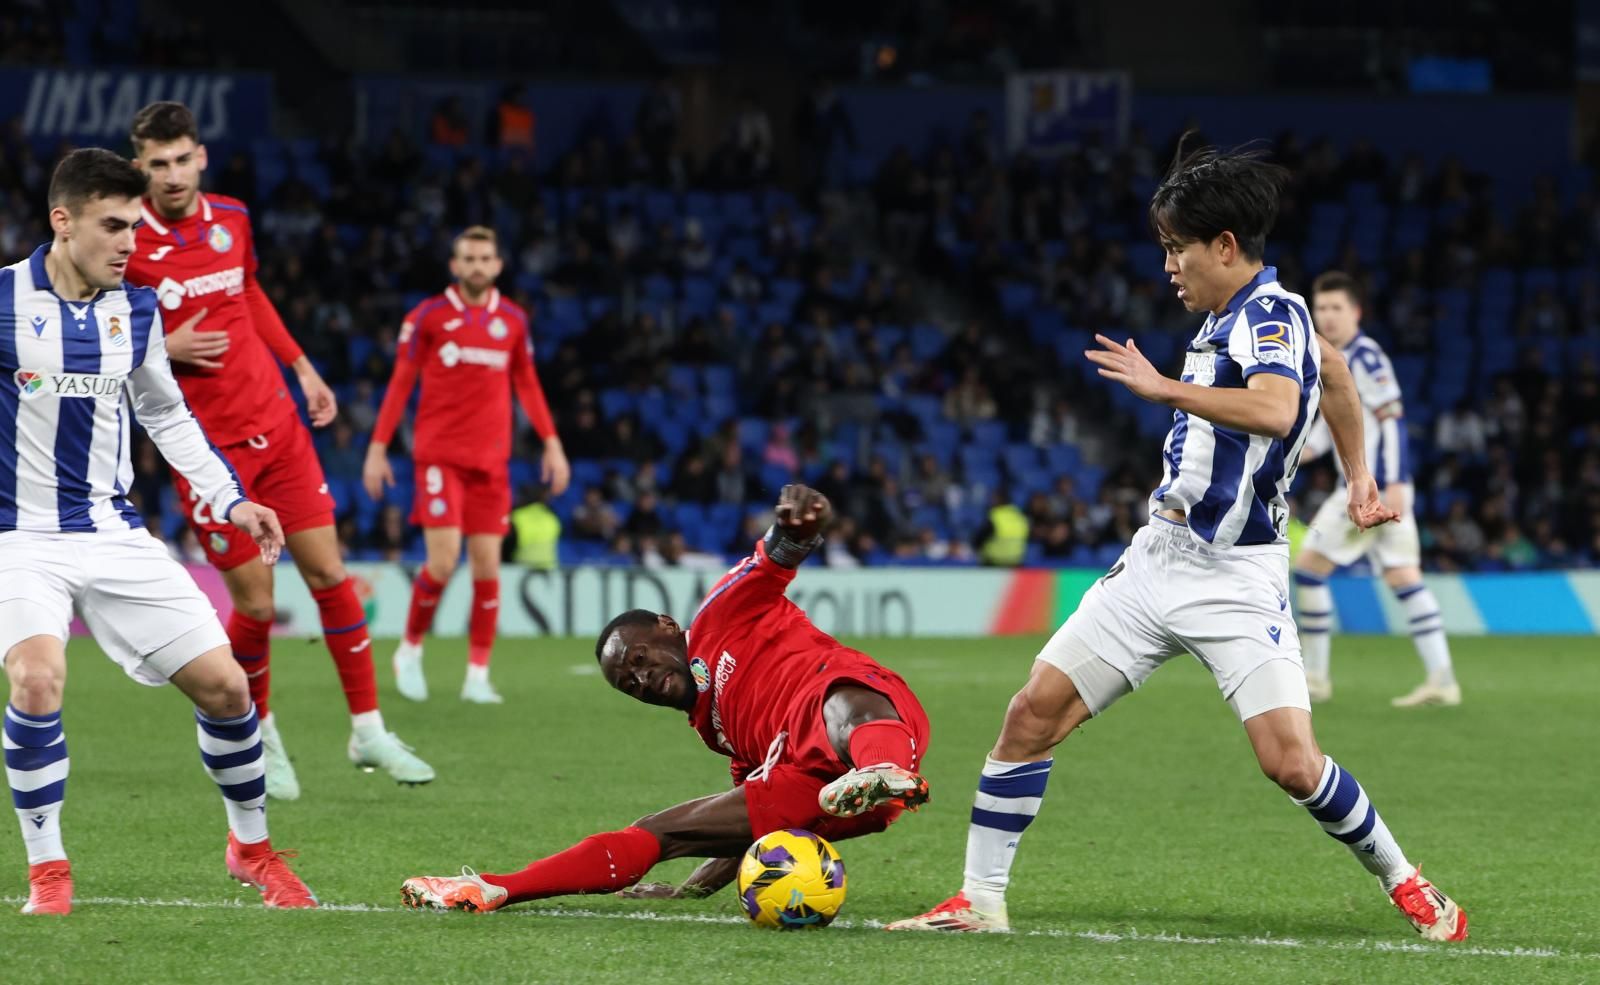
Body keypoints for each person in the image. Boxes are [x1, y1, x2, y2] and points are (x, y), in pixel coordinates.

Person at [889, 144, 1467, 942]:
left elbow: (1273, 407)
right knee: (1031, 714)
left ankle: (1408, 880)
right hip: (1157, 559)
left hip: (1236, 576)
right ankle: (978, 900)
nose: (1168, 265)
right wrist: (1358, 474)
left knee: (1291, 762)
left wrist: (1164, 386)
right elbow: (1335, 375)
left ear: (1224, 246)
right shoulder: (1248, 316)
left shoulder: (1268, 315)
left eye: (1177, 248)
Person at [1, 148, 314, 914]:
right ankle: (49, 869)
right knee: (38, 678)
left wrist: (231, 499)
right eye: (114, 226)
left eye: (136, 229)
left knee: (228, 686)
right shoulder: (4, 299)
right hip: (19, 537)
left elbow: (166, 413)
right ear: (63, 222)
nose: (130, 244)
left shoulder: (136, 308)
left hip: (114, 531)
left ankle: (252, 848)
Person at [398, 485, 930, 912]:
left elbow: (774, 561)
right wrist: (689, 891)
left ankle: (881, 769)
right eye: (629, 684)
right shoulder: (720, 734)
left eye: (639, 659)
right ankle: (497, 887)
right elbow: (747, 825)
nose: (642, 678)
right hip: (821, 790)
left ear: (667, 628)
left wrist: (797, 527)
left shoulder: (718, 617)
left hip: (865, 712)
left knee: (837, 702)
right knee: (658, 832)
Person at [125, 101, 433, 800]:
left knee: (330, 575)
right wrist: (161, 347)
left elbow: (250, 289)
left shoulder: (231, 218)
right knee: (258, 608)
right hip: (209, 452)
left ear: (201, 156)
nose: (172, 174)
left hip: (280, 425)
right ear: (140, 165)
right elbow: (102, 329)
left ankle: (368, 727)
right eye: (158, 163)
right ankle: (261, 728)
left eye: (182, 159)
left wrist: (302, 366)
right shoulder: (125, 240)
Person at [364, 226, 569, 705]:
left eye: (485, 258)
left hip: (490, 463)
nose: (477, 266)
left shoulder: (514, 321)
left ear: (497, 265)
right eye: (468, 259)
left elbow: (529, 385)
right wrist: (377, 447)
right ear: (454, 266)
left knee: (487, 570)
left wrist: (552, 443)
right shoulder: (428, 317)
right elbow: (400, 383)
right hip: (438, 457)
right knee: (441, 561)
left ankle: (477, 674)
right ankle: (410, 649)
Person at [1295, 271, 1459, 707]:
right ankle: (1442, 679)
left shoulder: (1365, 357)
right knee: (1402, 576)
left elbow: (1392, 419)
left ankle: (1315, 679)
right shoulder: (1332, 359)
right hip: (1369, 483)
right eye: (1321, 307)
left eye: (1336, 308)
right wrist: (1293, 457)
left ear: (1356, 312)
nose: (1327, 316)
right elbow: (1332, 430)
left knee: (1310, 569)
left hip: (1373, 486)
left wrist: (1395, 481)